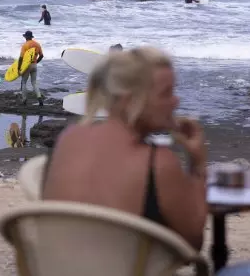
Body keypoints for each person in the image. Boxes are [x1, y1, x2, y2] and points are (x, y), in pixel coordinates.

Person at [43, 47, 208, 250]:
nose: (176, 101)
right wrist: (197, 163)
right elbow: (193, 243)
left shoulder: (68, 139)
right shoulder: (158, 163)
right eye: (166, 93)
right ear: (129, 100)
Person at [18, 31, 44, 106]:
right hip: (34, 65)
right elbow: (41, 56)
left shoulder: (25, 45)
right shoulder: (37, 44)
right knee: (34, 82)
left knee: (23, 82)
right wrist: (36, 62)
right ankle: (39, 98)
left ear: (26, 37)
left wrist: (19, 68)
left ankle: (24, 99)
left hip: (27, 66)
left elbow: (21, 58)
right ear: (31, 37)